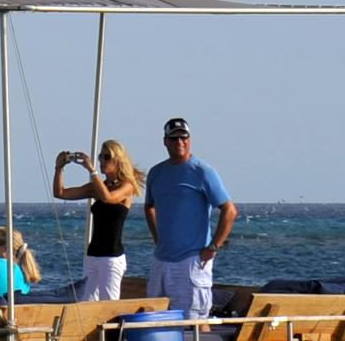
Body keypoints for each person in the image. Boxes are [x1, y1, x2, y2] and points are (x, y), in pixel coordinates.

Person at [143, 117, 237, 317]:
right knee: (154, 319)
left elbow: (229, 210)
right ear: (165, 141)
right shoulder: (156, 173)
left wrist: (213, 247)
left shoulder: (202, 171)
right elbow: (149, 207)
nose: (179, 143)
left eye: (183, 138)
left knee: (193, 322)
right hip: (161, 260)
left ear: (190, 139)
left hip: (191, 261)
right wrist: (158, 239)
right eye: (174, 138)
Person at [53, 140, 144, 301]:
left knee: (108, 304)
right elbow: (60, 193)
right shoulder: (97, 187)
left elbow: (108, 198)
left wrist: (92, 171)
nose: (102, 161)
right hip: (93, 254)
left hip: (112, 257)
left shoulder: (127, 186)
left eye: (107, 157)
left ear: (118, 160)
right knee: (87, 302)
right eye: (100, 157)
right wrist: (59, 168)